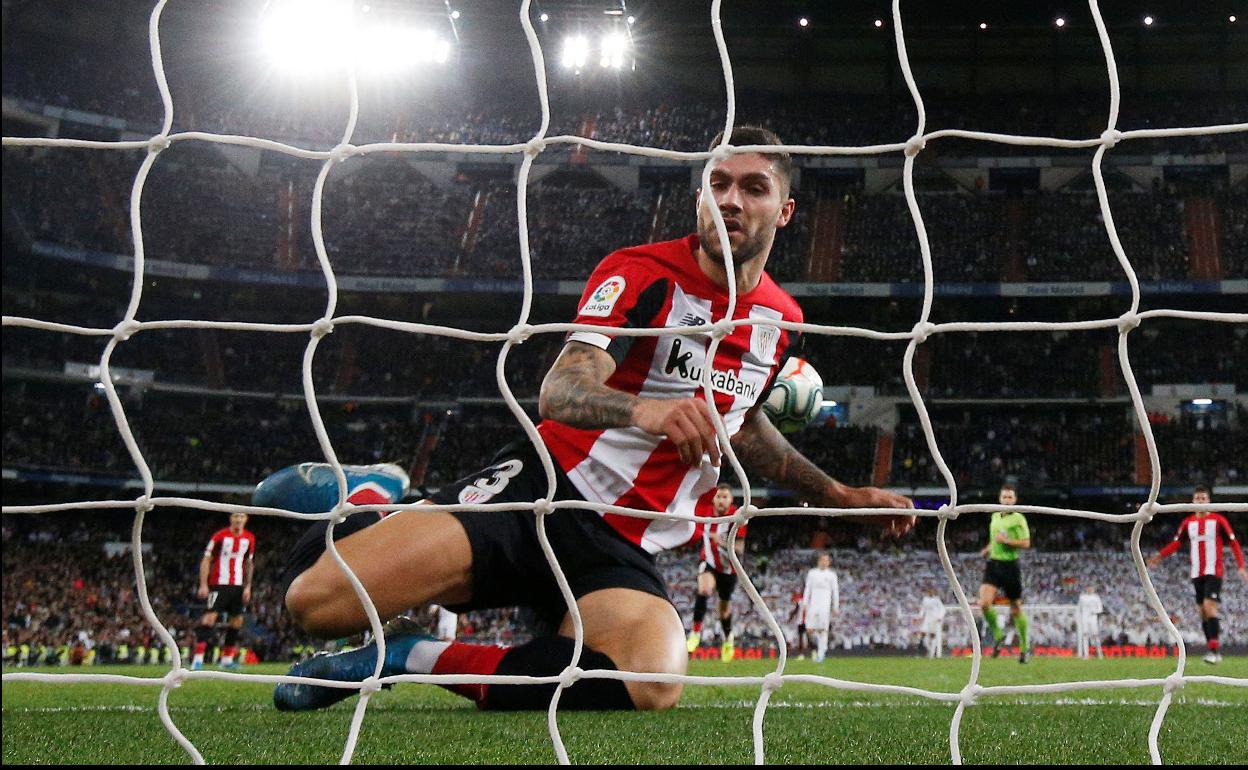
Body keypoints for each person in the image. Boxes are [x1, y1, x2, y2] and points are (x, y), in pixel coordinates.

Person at [264, 126, 916, 714]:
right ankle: (372, 497)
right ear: (699, 195)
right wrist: (644, 408)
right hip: (543, 494)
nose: (731, 200)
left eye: (753, 187)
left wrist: (838, 495)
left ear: (785, 209)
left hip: (622, 545)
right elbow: (562, 386)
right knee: (315, 606)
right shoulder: (641, 273)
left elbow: (742, 426)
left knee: (651, 682)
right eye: (717, 183)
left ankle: (407, 657)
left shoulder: (782, 322)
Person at [1147, 486, 1246, 664]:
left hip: (1213, 572)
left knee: (1209, 608)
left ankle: (1215, 652)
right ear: (1192, 502)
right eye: (1197, 499)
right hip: (1196, 573)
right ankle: (1212, 649)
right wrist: (1159, 556)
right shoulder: (1188, 523)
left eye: (1203, 499)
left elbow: (1234, 543)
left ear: (1209, 501)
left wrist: (1241, 566)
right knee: (1202, 612)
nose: (1200, 502)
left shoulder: (1218, 520)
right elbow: (1177, 544)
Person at [686, 484, 746, 661]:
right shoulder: (705, 512)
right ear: (714, 498)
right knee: (704, 589)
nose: (721, 500)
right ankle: (695, 633)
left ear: (731, 500)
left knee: (723, 610)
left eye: (725, 497)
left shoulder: (737, 517)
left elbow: (740, 549)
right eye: (718, 497)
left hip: (729, 569)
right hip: (709, 563)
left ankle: (728, 639)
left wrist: (720, 541)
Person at [192, 512, 256, 670]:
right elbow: (206, 559)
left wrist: (248, 587)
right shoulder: (219, 536)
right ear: (231, 519)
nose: (238, 520)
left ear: (246, 519)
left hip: (238, 585)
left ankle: (227, 659)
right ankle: (198, 659)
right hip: (218, 584)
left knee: (237, 621)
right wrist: (203, 584)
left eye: (241, 517)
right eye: (235, 516)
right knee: (209, 618)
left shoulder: (249, 538)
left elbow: (249, 563)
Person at [978, 483, 1031, 663]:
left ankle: (1025, 648)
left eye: (1010, 497)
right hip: (994, 564)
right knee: (984, 603)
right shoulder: (994, 516)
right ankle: (998, 636)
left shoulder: (1019, 519)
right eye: (1004, 497)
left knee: (1015, 608)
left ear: (1015, 500)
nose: (1006, 500)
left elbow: (1026, 543)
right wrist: (988, 548)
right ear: (999, 499)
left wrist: (1007, 541)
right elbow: (996, 539)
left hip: (1010, 566)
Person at [801, 553, 840, 663]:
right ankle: (815, 647)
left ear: (829, 562)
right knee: (809, 628)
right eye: (822, 560)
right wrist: (805, 601)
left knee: (823, 629)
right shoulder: (812, 573)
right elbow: (808, 587)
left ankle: (821, 652)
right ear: (818, 561)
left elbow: (835, 591)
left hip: (825, 605)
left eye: (826, 560)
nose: (824, 562)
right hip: (813, 604)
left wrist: (835, 606)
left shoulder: (832, 575)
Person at [1077, 585, 1104, 660]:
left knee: (1095, 635)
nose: (1090, 590)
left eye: (1091, 588)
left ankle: (1100, 654)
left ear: (1093, 589)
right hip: (1084, 619)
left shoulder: (1096, 597)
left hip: (1093, 618)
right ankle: (1086, 655)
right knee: (1085, 635)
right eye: (1088, 588)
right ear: (1086, 589)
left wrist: (1094, 611)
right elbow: (1079, 608)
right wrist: (1079, 618)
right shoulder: (1082, 597)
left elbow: (1100, 609)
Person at [919, 588, 946, 659]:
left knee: (933, 635)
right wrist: (920, 616)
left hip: (935, 619)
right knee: (923, 634)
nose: (930, 592)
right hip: (927, 618)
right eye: (929, 591)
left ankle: (932, 654)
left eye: (932, 591)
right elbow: (923, 609)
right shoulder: (925, 599)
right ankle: (929, 649)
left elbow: (942, 608)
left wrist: (940, 617)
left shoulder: (937, 600)